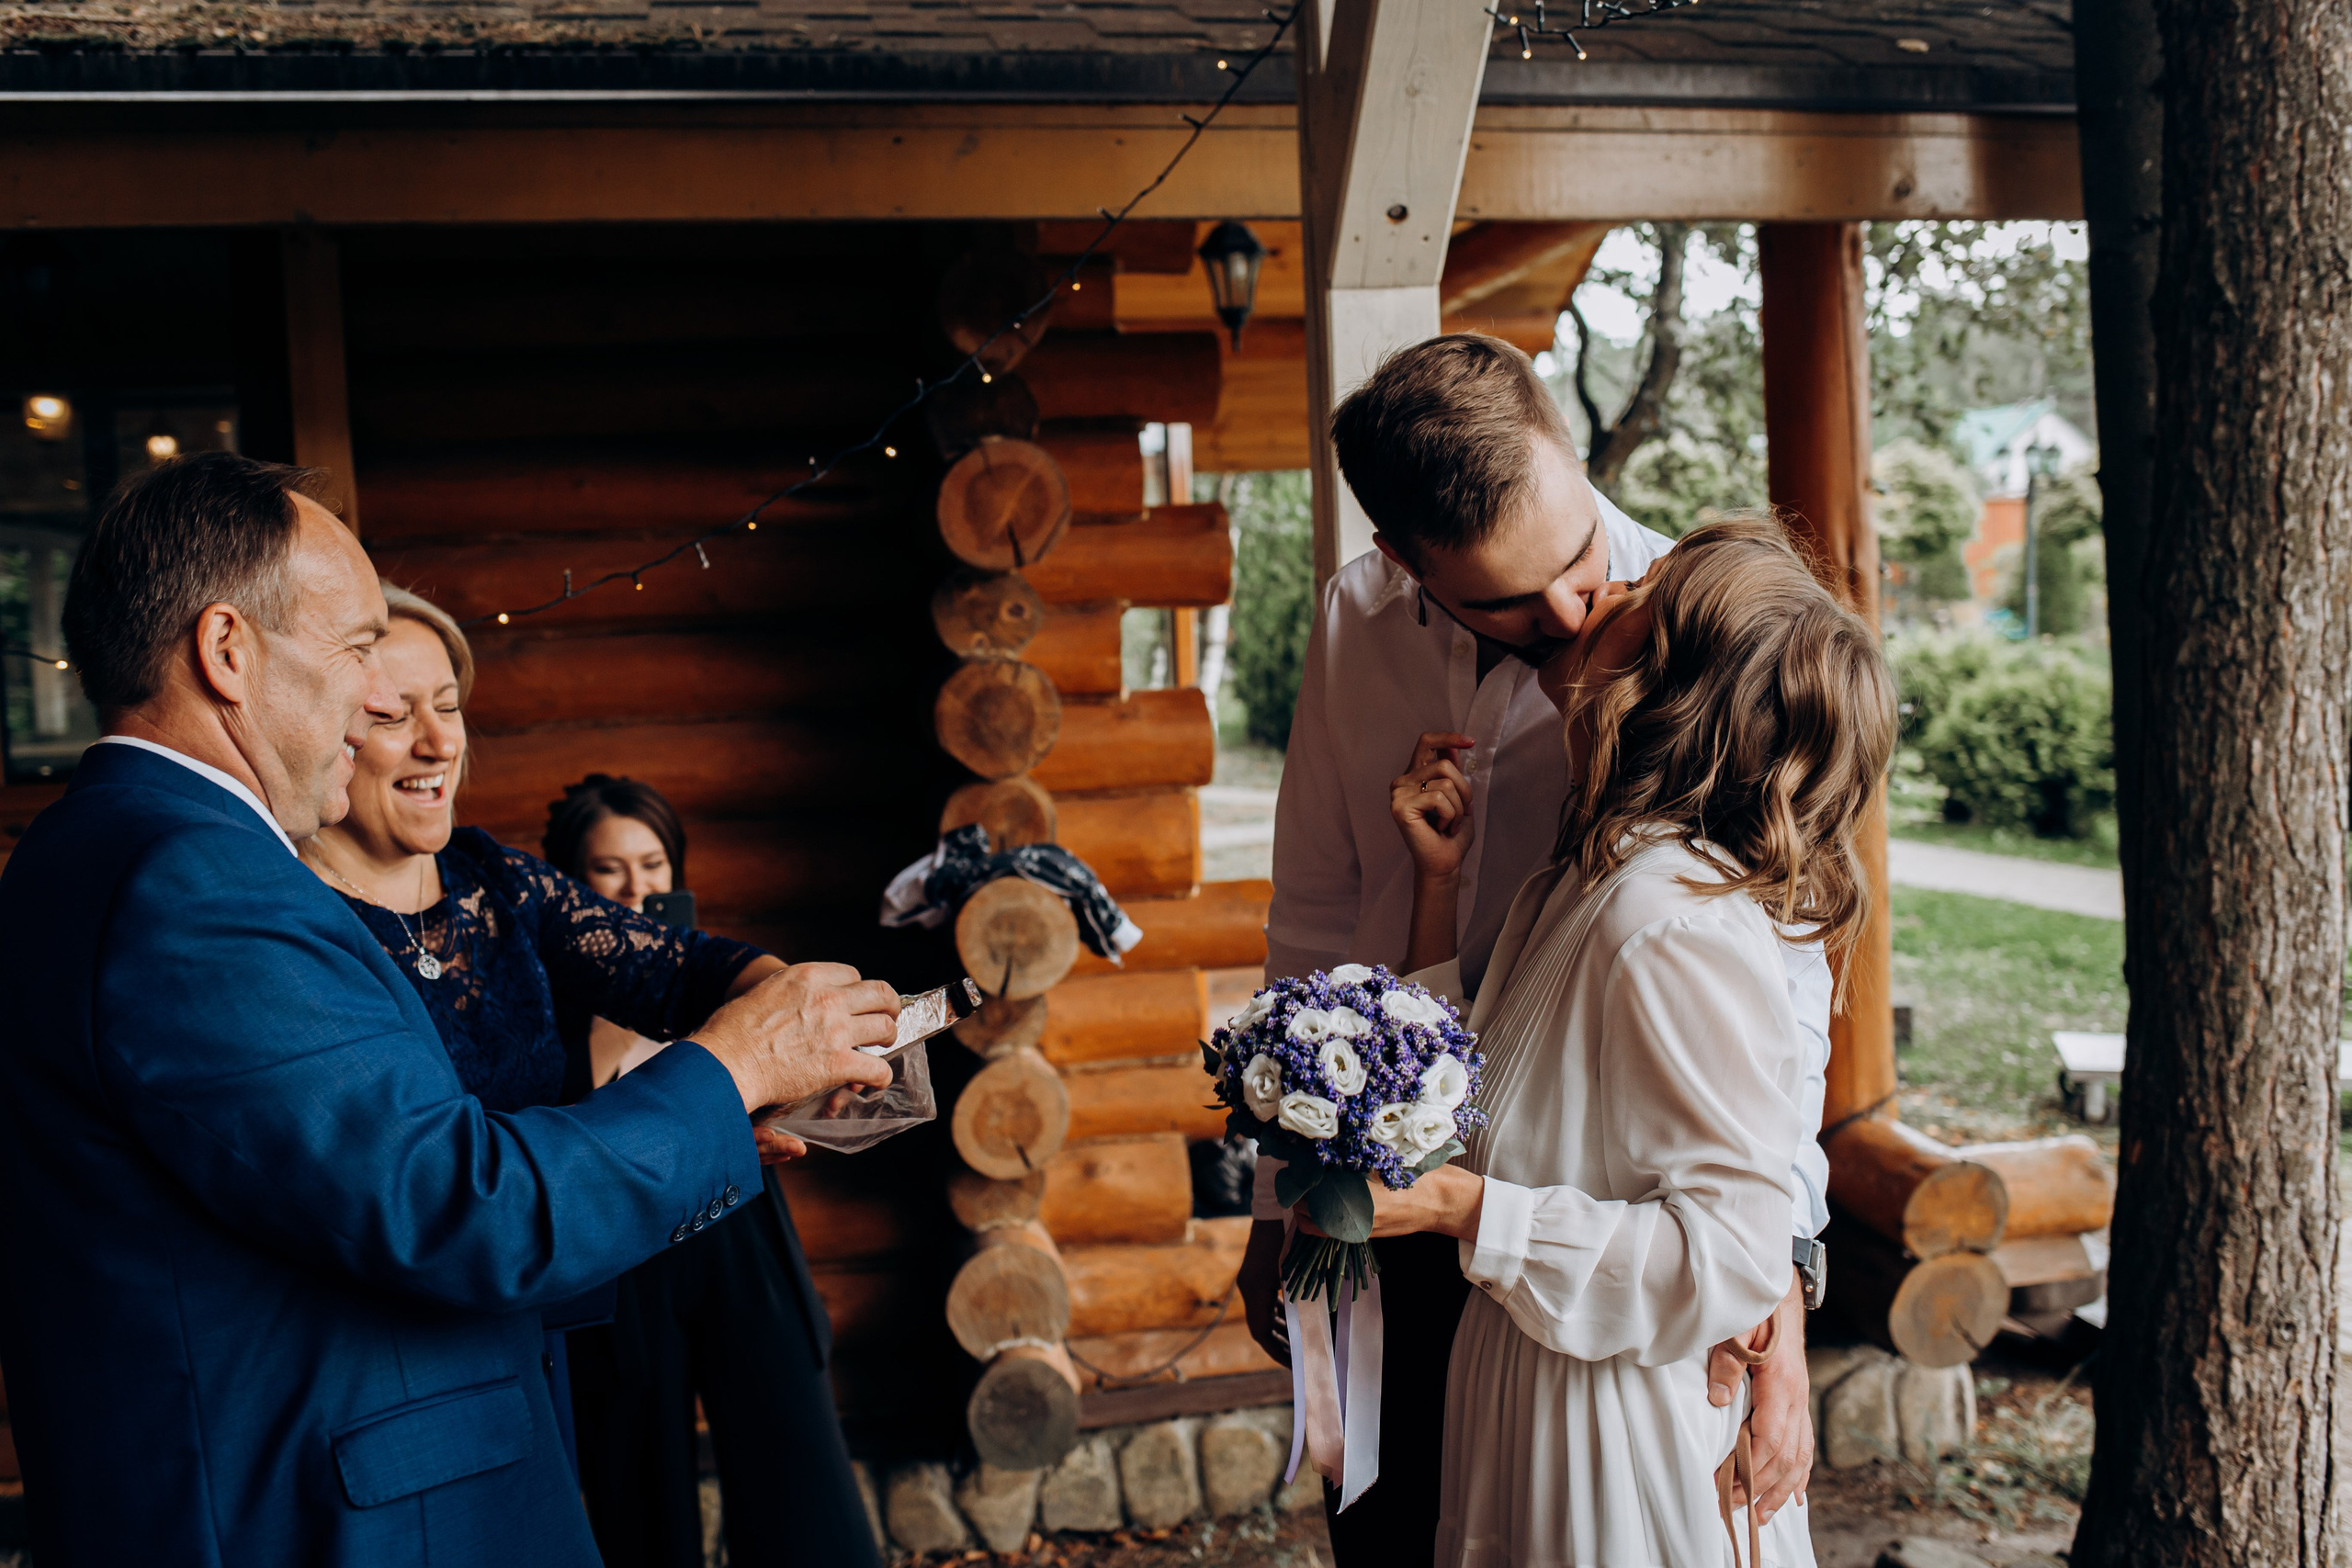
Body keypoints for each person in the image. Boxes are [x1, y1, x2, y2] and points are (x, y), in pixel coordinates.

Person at [0, 452, 898, 1567]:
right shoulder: (194, 884)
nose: (376, 702)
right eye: (356, 650)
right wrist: (734, 1069)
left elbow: (342, 1192)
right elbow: (456, 1206)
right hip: (330, 1519)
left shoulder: (102, 849)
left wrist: (702, 1125)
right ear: (228, 653)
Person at [1241, 334, 1826, 1560]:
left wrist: (1783, 1282)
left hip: (1609, 1235)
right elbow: (1309, 909)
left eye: (1578, 561)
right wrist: (1277, 1189)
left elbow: (1781, 987)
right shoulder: (1355, 623)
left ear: (1564, 448)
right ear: (1401, 559)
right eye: (1511, 597)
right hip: (1395, 1179)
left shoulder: (1686, 628)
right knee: (1400, 1525)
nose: (1570, 611)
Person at [1368, 517, 1892, 1564]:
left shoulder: (1670, 919)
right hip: (1527, 1388)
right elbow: (1479, 1110)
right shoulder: (1580, 880)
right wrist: (1435, 885)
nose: (1603, 590)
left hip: (1616, 1421)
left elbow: (1732, 1255)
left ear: (1666, 682)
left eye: (1639, 592)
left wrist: (1455, 1208)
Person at [545, 774, 877, 1568]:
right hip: (629, 1254)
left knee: (797, 1467)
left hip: (735, 1230)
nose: (638, 886)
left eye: (654, 863)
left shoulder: (713, 980)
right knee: (637, 1485)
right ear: (569, 884)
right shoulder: (548, 1000)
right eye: (610, 868)